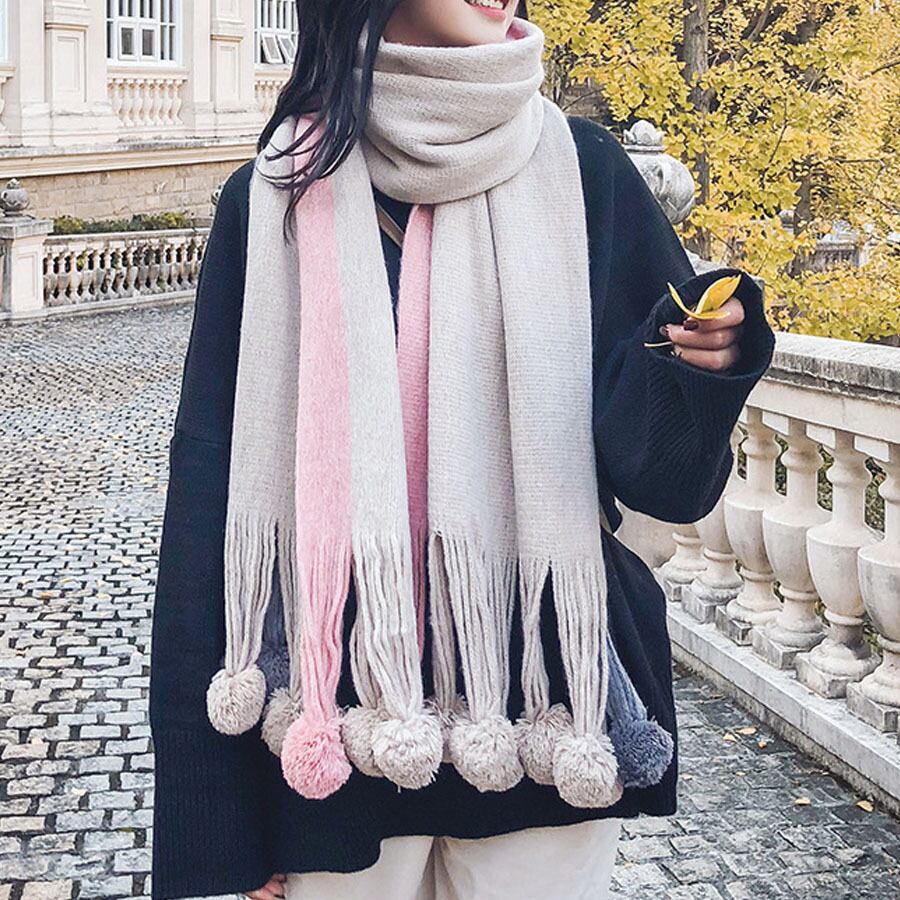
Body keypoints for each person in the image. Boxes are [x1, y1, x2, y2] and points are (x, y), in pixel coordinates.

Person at [149, 2, 775, 899]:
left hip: (543, 709)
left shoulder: (587, 172)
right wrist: (221, 812)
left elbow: (668, 486)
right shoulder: (273, 193)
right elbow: (207, 488)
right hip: (334, 722)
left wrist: (703, 369)